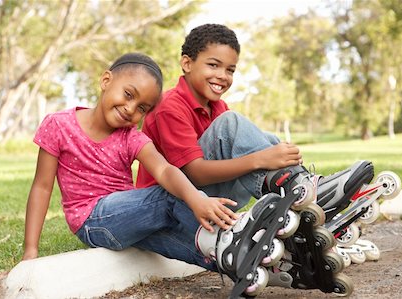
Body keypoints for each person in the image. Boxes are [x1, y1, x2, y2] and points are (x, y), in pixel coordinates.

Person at [22, 52, 240, 270]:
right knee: (170, 195)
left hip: (128, 219)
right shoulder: (59, 125)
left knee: (192, 246)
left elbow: (164, 170)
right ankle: (232, 232)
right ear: (106, 81)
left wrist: (194, 198)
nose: (130, 109)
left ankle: (245, 261)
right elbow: (42, 188)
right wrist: (31, 250)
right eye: (128, 94)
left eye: (142, 108)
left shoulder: (131, 136)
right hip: (90, 221)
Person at [136, 23, 373, 214]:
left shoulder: (216, 106)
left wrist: (270, 154)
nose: (222, 76)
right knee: (233, 127)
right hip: (172, 204)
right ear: (187, 63)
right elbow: (195, 172)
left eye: (230, 70)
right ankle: (300, 189)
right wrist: (260, 159)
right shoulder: (169, 106)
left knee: (268, 140)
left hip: (210, 198)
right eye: (213, 65)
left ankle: (303, 197)